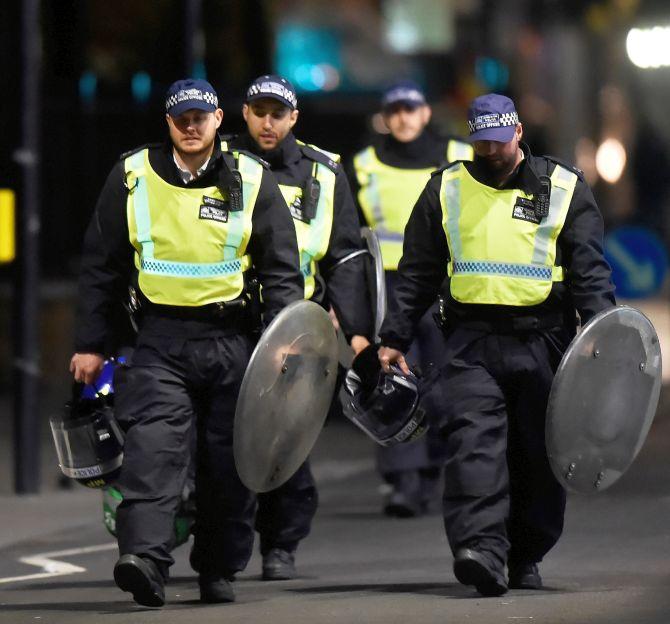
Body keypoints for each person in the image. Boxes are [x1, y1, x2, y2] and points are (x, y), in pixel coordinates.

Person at [69, 78, 303, 607]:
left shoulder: (251, 177)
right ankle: (144, 560)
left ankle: (218, 566)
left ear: (219, 119)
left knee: (228, 462)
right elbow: (101, 267)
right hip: (159, 341)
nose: (191, 126)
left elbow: (280, 269)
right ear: (168, 123)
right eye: (182, 119)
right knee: (153, 452)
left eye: (200, 117)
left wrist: (285, 340)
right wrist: (90, 343)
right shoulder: (131, 176)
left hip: (233, 341)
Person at [377, 93, 616, 596]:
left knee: (538, 455)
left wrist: (602, 337)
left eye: (498, 142)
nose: (490, 152)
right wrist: (393, 337)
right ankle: (481, 550)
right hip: (470, 343)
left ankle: (526, 553)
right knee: (473, 445)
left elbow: (589, 272)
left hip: (545, 342)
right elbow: (417, 271)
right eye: (480, 143)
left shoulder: (563, 186)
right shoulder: (446, 188)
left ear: (518, 133)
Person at [226, 74, 373, 580]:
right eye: (259, 111)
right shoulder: (219, 160)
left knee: (286, 438)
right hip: (230, 322)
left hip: (297, 327)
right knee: (225, 438)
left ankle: (280, 544)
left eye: (278, 114)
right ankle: (226, 541)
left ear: (294, 119)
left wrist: (355, 331)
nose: (268, 123)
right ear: (244, 113)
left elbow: (347, 256)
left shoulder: (323, 173)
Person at [349, 80, 473, 517]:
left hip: (444, 286)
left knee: (442, 383)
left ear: (425, 113)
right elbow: (350, 233)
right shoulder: (363, 163)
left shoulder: (461, 155)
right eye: (395, 109)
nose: (402, 117)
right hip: (387, 286)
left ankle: (433, 469)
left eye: (411, 109)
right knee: (392, 384)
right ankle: (403, 480)